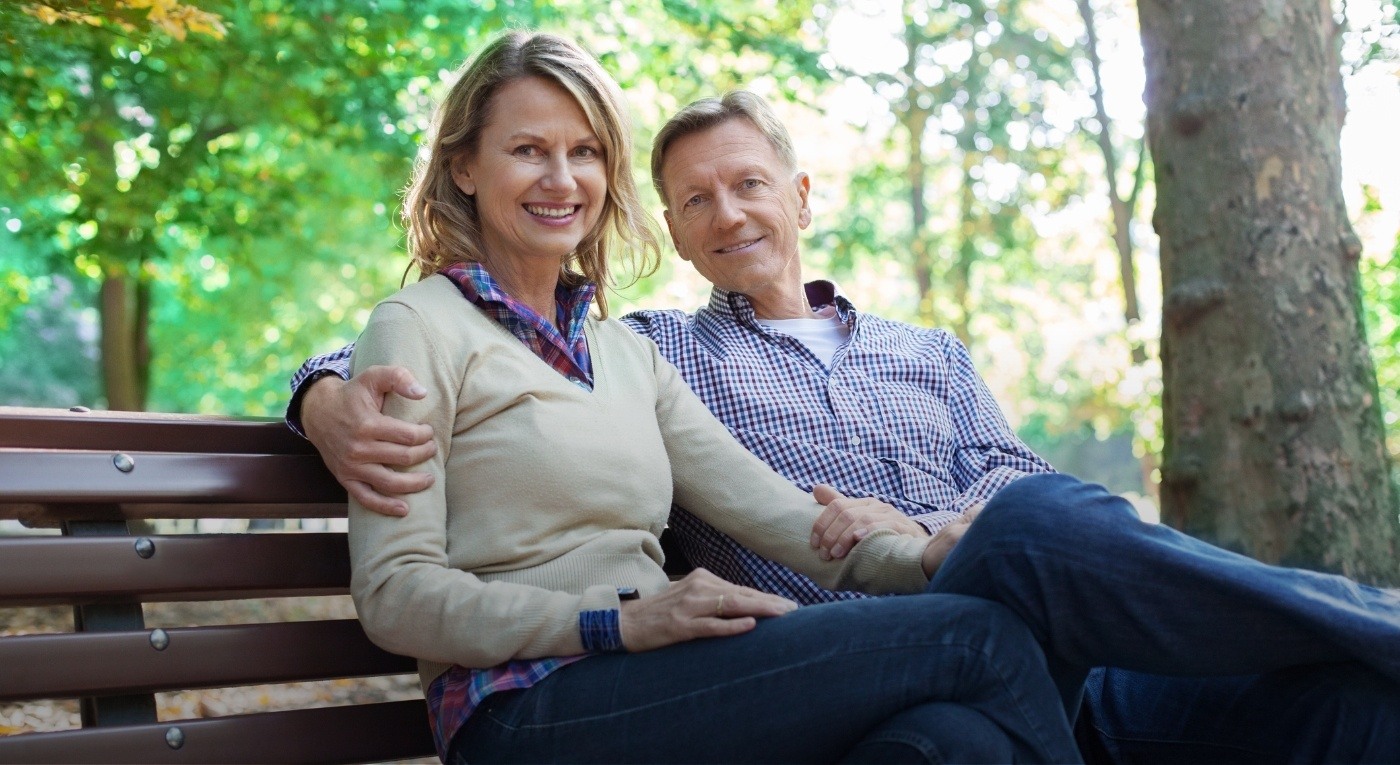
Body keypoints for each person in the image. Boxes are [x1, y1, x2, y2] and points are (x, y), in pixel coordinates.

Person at [294, 81, 1400, 762]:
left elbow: (808, 512)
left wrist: (935, 542)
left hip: (992, 643)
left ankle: (1365, 640)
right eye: (691, 198)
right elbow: (413, 377)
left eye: (583, 152)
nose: (562, 176)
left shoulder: (905, 355)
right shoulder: (665, 342)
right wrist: (318, 389)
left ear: (801, 193)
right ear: (671, 232)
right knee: (996, 602)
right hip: (630, 688)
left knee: (1041, 586)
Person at [337, 30, 1081, 765]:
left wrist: (925, 556)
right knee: (976, 638)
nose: (561, 178)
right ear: (464, 167)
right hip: (524, 706)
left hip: (655, 677)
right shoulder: (418, 326)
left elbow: (785, 519)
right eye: (529, 150)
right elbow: (394, 593)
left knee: (953, 741)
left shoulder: (626, 354)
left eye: (586, 152)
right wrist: (615, 621)